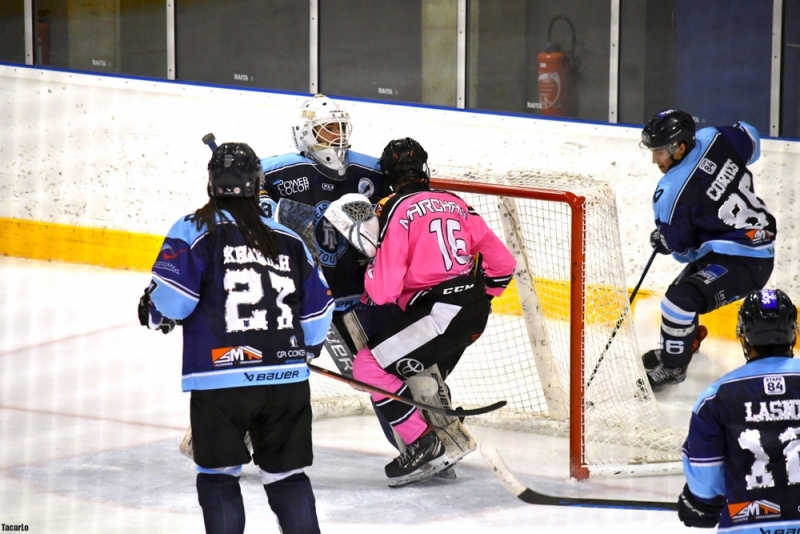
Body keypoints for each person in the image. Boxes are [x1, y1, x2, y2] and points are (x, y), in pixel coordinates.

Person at [138, 142, 334, 534]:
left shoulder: (193, 228)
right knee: (288, 478)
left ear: (211, 182)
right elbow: (318, 313)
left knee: (219, 477)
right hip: (285, 381)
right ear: (257, 183)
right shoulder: (288, 237)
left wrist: (153, 310)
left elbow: (173, 301)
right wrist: (306, 349)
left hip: (219, 380)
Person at [347, 137, 516, 487]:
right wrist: (478, 297)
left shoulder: (392, 208)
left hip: (437, 314)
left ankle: (424, 443)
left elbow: (384, 291)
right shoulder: (457, 203)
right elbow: (503, 265)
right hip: (473, 314)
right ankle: (439, 428)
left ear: (389, 177)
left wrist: (369, 270)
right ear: (424, 169)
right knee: (419, 371)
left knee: (368, 367)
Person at [639, 109, 776, 392]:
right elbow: (752, 138)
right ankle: (685, 344)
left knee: (678, 302)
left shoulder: (671, 192)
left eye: (659, 151)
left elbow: (683, 252)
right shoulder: (714, 136)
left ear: (680, 147)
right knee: (681, 294)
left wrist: (664, 240)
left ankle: (673, 367)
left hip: (746, 262)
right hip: (753, 242)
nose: (655, 159)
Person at [259, 93, 387, 352]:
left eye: (341, 128)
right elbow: (247, 196)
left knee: (370, 361)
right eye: (329, 128)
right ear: (305, 133)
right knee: (292, 356)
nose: (338, 135)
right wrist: (259, 197)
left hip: (357, 290)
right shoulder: (277, 171)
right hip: (304, 292)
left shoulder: (370, 170)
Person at [679, 288, 800, 532]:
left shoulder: (716, 396)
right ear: (793, 333)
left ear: (743, 337)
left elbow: (705, 486)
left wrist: (698, 506)